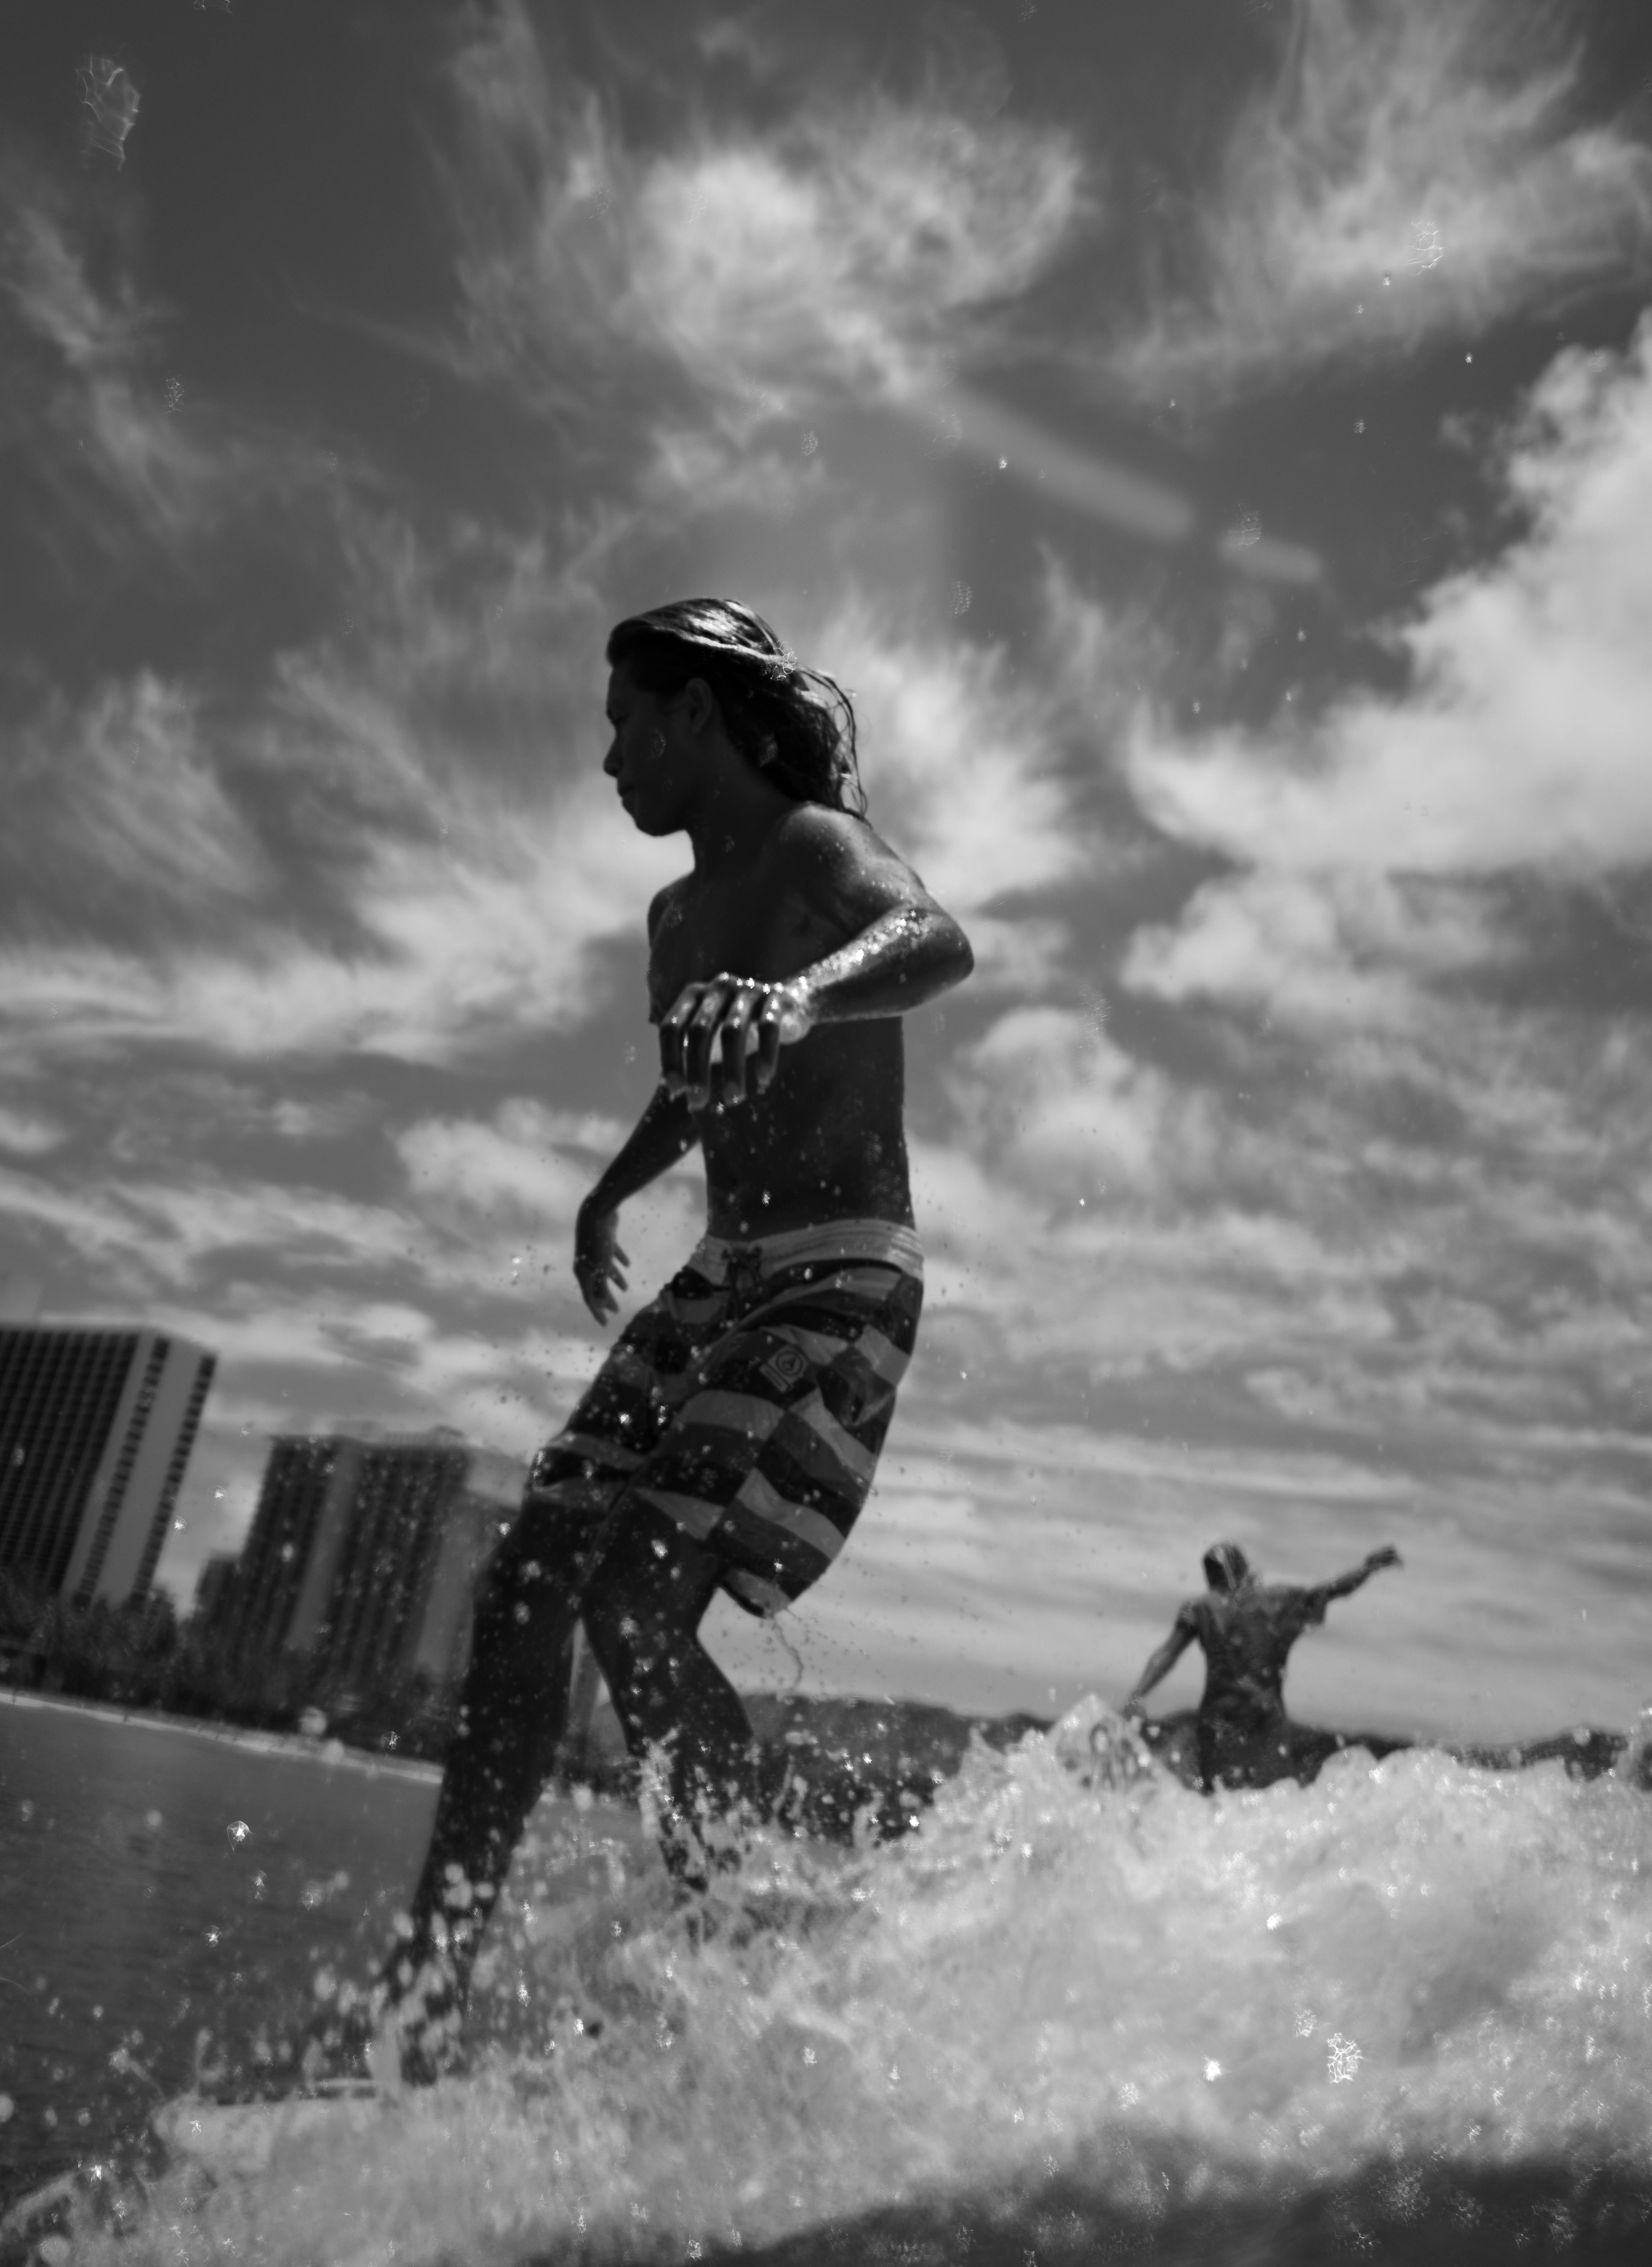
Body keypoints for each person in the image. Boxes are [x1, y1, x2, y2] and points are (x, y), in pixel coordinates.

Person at [322, 597, 973, 2086]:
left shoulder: (815, 852)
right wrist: (615, 1185)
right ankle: (426, 1992)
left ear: (696, 715)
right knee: (528, 1574)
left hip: (841, 1274)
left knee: (634, 1593)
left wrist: (803, 993)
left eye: (628, 719)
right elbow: (701, 1080)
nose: (610, 754)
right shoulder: (673, 921)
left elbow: (940, 939)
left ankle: (736, 1942)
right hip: (720, 1273)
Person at [1123, 1540, 1402, 1792]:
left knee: (1215, 1797)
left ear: (1211, 1577)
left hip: (1219, 1722)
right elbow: (1331, 1590)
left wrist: (1139, 1692)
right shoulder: (1276, 1602)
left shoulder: (1200, 1609)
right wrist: (1367, 1569)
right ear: (1244, 1571)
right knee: (1275, 1795)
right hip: (1264, 1720)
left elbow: (1167, 1654)